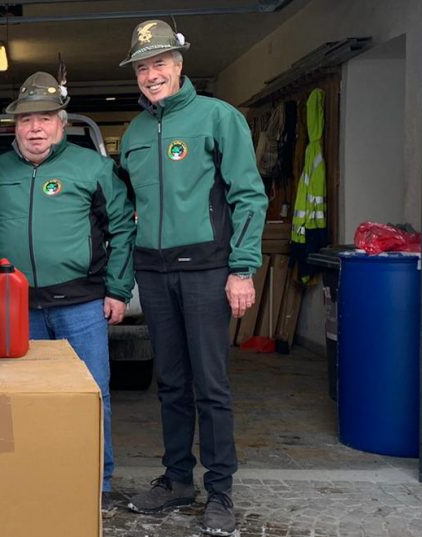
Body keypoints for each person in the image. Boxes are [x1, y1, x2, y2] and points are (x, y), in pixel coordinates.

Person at [117, 20, 267, 537]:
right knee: (172, 383)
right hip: (154, 272)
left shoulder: (218, 118)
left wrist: (242, 268)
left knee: (211, 384)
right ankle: (177, 478)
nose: (151, 74)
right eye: (142, 67)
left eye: (159, 63)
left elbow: (248, 196)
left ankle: (220, 489)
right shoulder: (134, 134)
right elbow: (128, 209)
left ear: (179, 65)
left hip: (206, 270)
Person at [0, 71, 135, 518]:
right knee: (26, 398)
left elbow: (123, 228)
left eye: (46, 118)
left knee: (91, 396)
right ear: (14, 126)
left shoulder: (93, 168)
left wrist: (117, 289)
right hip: (17, 308)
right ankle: (39, 478)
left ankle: (97, 482)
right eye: (26, 119)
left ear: (62, 123)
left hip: (82, 305)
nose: (36, 128)